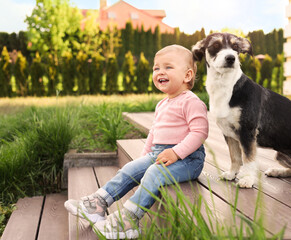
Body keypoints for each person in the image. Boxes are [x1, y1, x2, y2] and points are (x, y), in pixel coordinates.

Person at [64, 45, 209, 239]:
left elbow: (200, 133)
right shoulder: (162, 104)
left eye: (168, 67)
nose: (160, 72)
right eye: (156, 68)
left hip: (188, 159)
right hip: (159, 153)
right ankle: (98, 203)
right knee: (130, 169)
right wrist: (141, 161)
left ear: (187, 75)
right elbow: (154, 132)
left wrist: (176, 152)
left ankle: (129, 219)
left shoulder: (192, 102)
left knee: (154, 173)